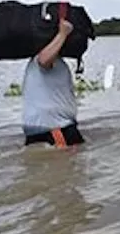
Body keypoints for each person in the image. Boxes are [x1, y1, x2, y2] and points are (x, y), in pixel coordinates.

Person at [22, 15, 83, 148]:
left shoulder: (47, 61)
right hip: (55, 128)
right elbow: (44, 60)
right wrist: (62, 34)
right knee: (70, 165)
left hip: (48, 127)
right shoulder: (43, 58)